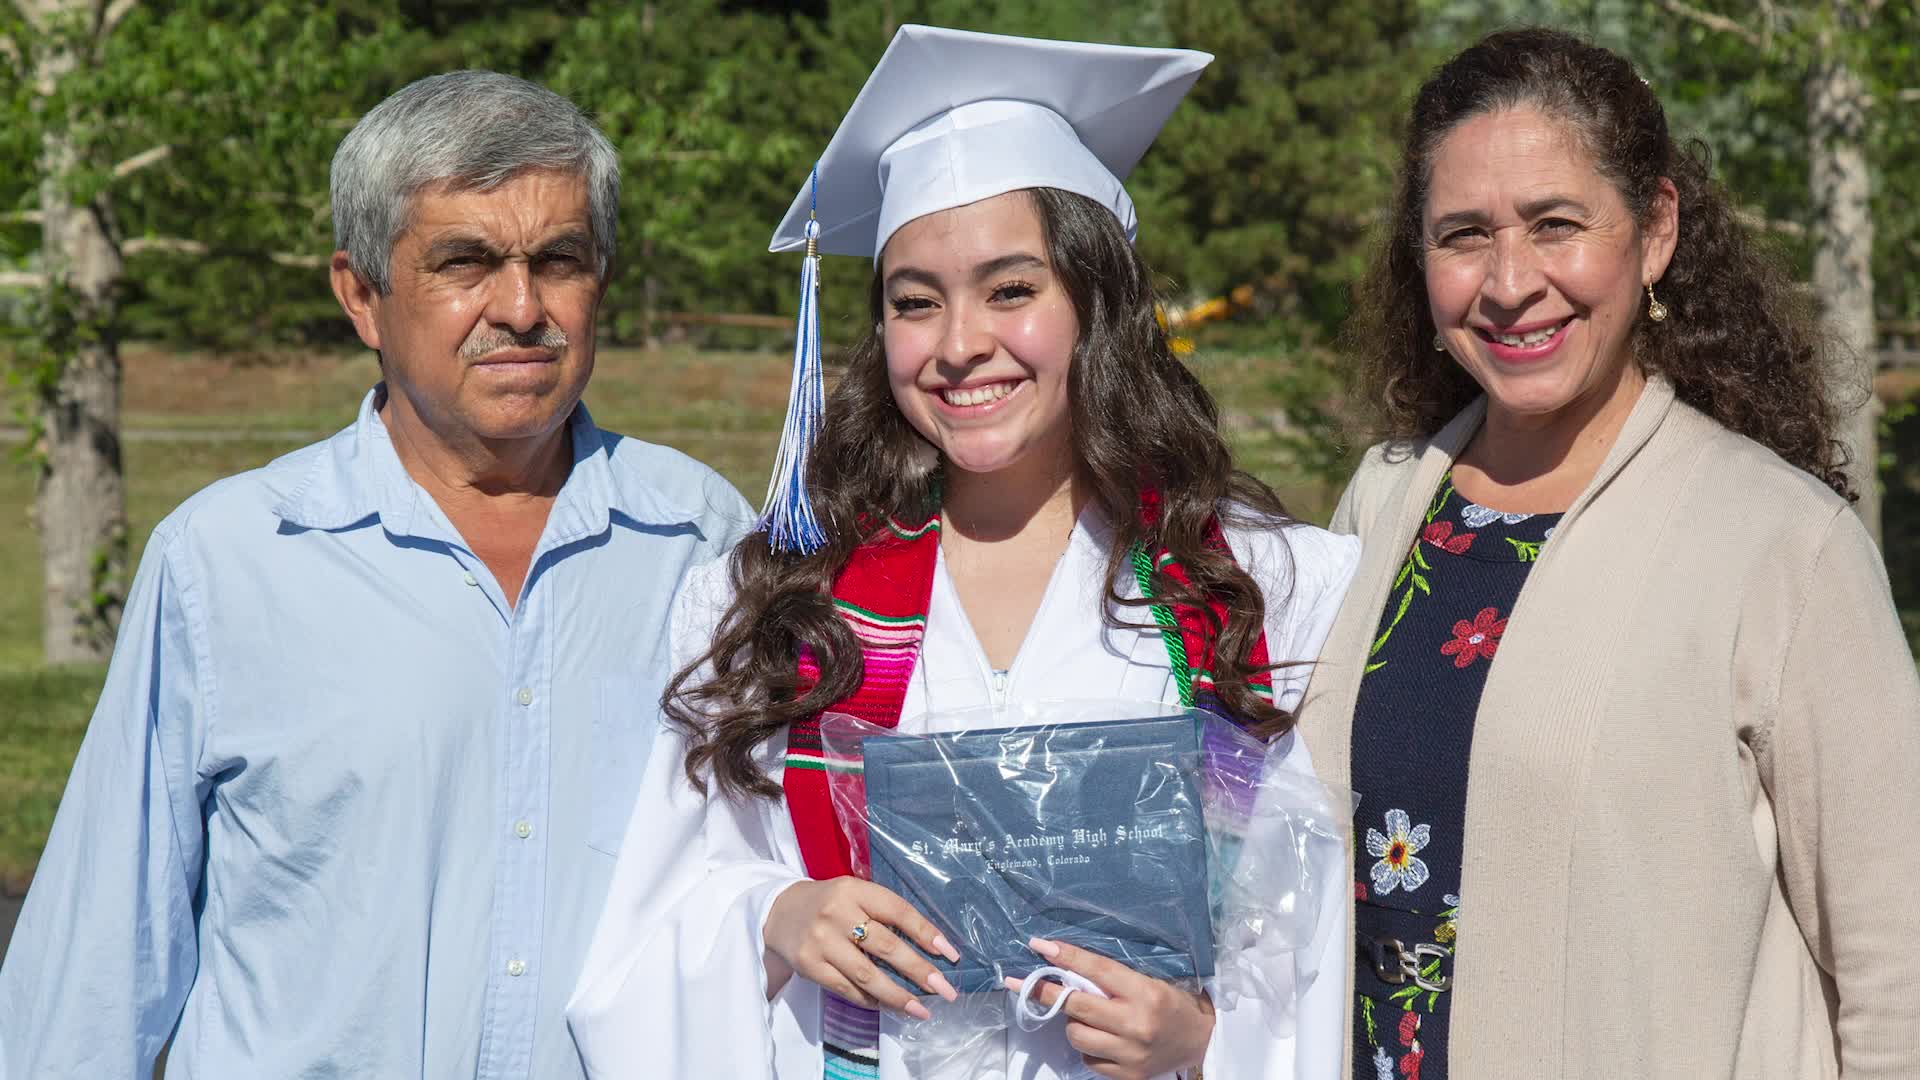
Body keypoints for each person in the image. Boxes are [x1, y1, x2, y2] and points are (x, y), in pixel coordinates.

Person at [565, 25, 1359, 1080]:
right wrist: (775, 917)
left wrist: (1208, 1046)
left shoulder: (1265, 587)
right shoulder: (771, 601)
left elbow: (1309, 947)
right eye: (914, 302)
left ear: (1099, 306)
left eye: (1012, 289)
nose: (957, 345)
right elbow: (648, 932)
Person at [0, 71, 751, 1077]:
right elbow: (97, 961)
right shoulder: (228, 563)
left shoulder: (704, 541)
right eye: (464, 262)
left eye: (559, 260)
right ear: (362, 296)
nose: (521, 308)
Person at [1295, 27, 1920, 1080]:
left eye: (1555, 224)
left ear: (1656, 230)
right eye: (1463, 235)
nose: (1509, 281)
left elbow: (1899, 969)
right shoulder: (1382, 502)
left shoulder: (1783, 544)